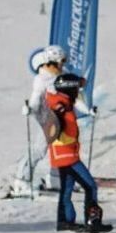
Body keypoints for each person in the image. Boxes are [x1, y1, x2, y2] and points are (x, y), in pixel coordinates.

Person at [18, 45, 90, 193]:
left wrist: (88, 109)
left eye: (64, 61)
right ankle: (22, 180)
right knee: (39, 149)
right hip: (47, 118)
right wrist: (29, 109)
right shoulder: (42, 78)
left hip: (62, 119)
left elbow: (74, 96)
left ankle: (56, 179)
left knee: (61, 147)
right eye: (60, 62)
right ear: (50, 62)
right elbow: (35, 99)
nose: (62, 64)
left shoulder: (64, 74)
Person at [46, 73, 111, 233]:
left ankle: (65, 221)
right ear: (69, 89)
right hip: (67, 156)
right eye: (76, 88)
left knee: (67, 189)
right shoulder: (60, 106)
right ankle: (93, 221)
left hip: (64, 155)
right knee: (90, 186)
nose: (78, 91)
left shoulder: (62, 103)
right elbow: (57, 127)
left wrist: (88, 112)